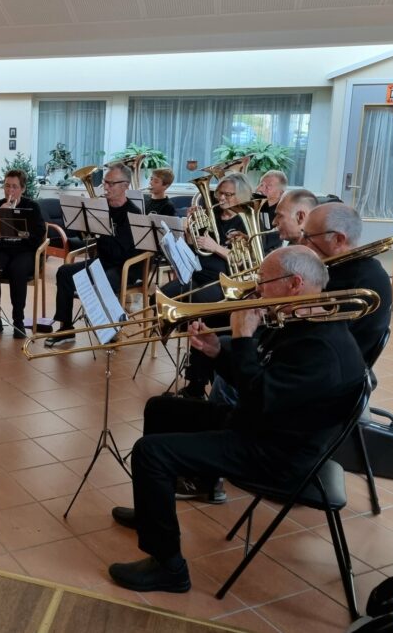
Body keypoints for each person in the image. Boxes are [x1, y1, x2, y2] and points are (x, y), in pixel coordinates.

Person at [107, 246, 366, 593]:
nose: (257, 288)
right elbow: (260, 383)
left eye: (264, 280)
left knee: (150, 452)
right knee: (160, 408)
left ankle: (169, 567)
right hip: (266, 425)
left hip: (277, 454)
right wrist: (218, 352)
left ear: (295, 283)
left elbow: (258, 397)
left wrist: (243, 339)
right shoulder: (297, 319)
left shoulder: (321, 349)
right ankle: (149, 514)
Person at [161, 172, 254, 399]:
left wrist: (217, 248)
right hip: (198, 273)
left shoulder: (245, 220)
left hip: (225, 281)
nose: (222, 198)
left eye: (229, 195)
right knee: (165, 293)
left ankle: (197, 381)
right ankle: (183, 336)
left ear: (241, 196)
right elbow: (194, 247)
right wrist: (189, 230)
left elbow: (248, 261)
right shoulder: (211, 215)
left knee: (200, 312)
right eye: (220, 193)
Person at [46, 164, 141, 346]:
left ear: (125, 186)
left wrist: (100, 232)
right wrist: (84, 225)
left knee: (104, 278)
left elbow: (120, 253)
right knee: (64, 272)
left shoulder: (133, 214)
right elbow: (88, 238)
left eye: (111, 184)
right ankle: (66, 329)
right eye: (105, 182)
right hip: (102, 262)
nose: (106, 187)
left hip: (123, 267)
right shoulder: (99, 208)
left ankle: (108, 328)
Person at [302, 202, 393, 363]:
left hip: (330, 364)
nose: (301, 242)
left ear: (338, 239)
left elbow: (319, 335)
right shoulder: (343, 267)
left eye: (307, 236)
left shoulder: (356, 278)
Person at [0, 169, 46, 339]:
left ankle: (18, 320)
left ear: (23, 189)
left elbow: (39, 235)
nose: (10, 191)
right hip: (1, 250)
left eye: (15, 187)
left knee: (18, 269)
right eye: (7, 186)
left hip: (25, 252)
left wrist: (21, 234)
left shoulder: (32, 207)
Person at [254, 170, 288, 252]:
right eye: (261, 184)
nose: (261, 189)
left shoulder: (283, 214)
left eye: (268, 186)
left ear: (281, 192)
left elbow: (267, 244)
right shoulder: (252, 206)